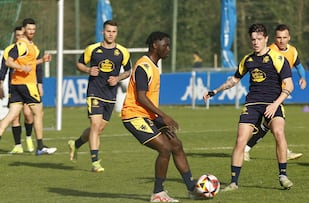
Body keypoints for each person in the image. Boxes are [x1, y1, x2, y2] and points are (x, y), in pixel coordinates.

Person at [204, 24, 294, 190]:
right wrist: (215, 91)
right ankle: (233, 183)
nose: (256, 42)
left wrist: (275, 104)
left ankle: (283, 175)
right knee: (240, 140)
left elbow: (289, 85)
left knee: (279, 132)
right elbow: (234, 80)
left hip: (272, 103)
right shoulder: (248, 60)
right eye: (253, 39)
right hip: (252, 104)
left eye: (259, 39)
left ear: (266, 39)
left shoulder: (278, 58)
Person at [121, 31, 202, 202]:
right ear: (154, 46)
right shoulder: (143, 66)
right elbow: (141, 97)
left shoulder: (154, 66)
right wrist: (163, 116)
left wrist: (159, 116)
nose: (168, 49)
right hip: (134, 115)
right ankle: (158, 193)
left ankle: (191, 188)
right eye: (165, 45)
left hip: (148, 115)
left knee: (176, 145)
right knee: (164, 148)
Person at [67, 20, 131, 172]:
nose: (111, 34)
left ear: (117, 33)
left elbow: (128, 70)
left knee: (98, 129)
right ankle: (95, 162)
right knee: (95, 126)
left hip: (110, 94)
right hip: (94, 92)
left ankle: (75, 144)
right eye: (108, 31)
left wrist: (117, 78)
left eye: (114, 31)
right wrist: (88, 70)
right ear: (103, 32)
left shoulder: (123, 51)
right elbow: (79, 63)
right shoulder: (93, 49)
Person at [244, 24, 306, 161]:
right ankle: (284, 152)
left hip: (284, 91)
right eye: (279, 37)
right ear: (274, 38)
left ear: (289, 38)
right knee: (273, 124)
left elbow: (299, 65)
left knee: (269, 124)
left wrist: (303, 78)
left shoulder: (293, 51)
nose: (281, 40)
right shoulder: (270, 51)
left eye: (284, 37)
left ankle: (246, 148)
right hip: (272, 93)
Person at [1, 18, 56, 155]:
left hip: (16, 85)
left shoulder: (32, 46)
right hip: (27, 85)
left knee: (10, 116)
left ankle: (38, 146)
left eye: (33, 29)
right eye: (29, 29)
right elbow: (8, 62)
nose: (31, 31)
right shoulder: (22, 45)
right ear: (24, 30)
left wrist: (42, 60)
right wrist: (21, 67)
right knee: (38, 113)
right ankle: (40, 147)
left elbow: (29, 63)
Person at [0, 26, 39, 154]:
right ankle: (18, 145)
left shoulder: (29, 48)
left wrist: (40, 84)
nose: (19, 37)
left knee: (28, 114)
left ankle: (28, 138)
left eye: (21, 35)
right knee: (15, 116)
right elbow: (4, 68)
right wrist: (0, 84)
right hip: (15, 85)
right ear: (14, 36)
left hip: (28, 85)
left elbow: (35, 66)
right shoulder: (10, 50)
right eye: (17, 35)